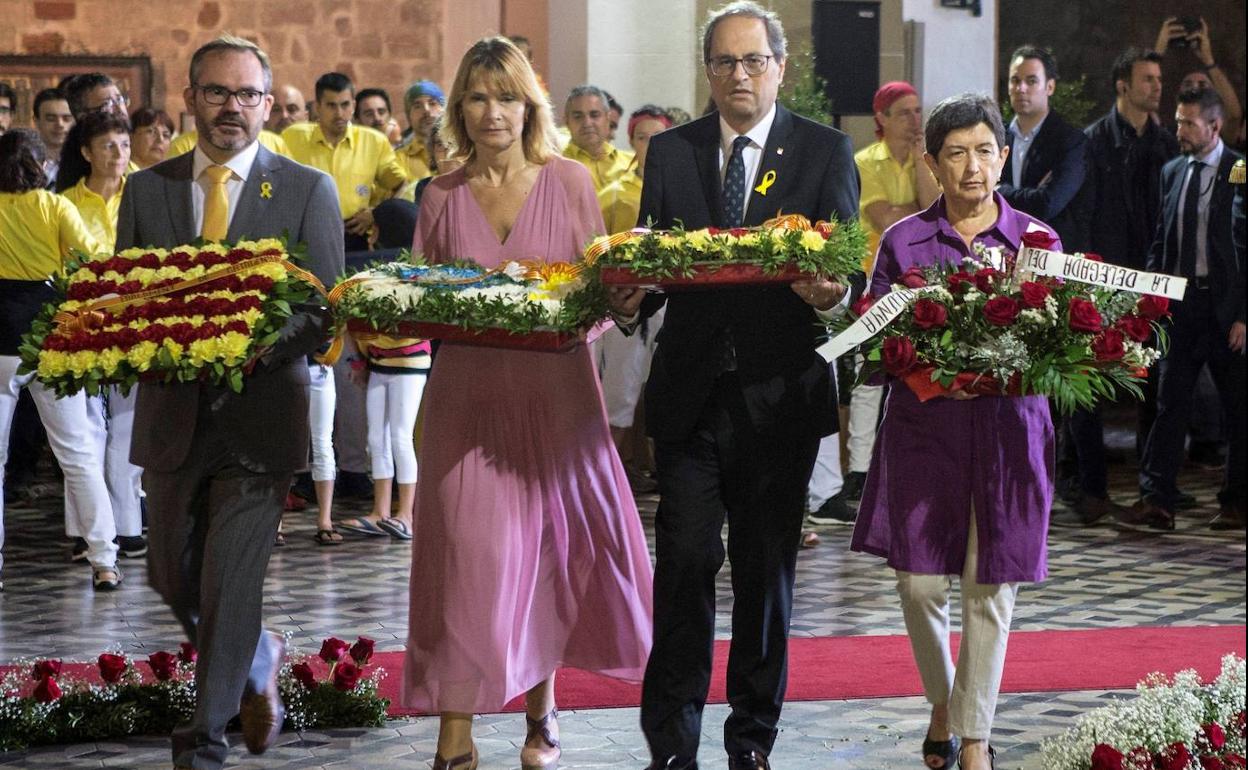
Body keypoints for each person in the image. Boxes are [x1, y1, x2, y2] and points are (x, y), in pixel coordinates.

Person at [607, 3, 860, 767]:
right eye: (724, 62)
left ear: (779, 66)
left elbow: (844, 274)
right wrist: (627, 302)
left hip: (779, 397)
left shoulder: (824, 150)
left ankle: (751, 738)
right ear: (708, 72)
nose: (739, 75)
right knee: (684, 562)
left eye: (753, 61)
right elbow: (656, 265)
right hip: (690, 395)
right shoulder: (672, 152)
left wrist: (830, 296)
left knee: (764, 574)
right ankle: (671, 742)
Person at [401, 37, 653, 770]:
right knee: (464, 558)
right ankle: (455, 736)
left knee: (546, 552)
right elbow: (419, 297)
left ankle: (542, 710)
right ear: (459, 109)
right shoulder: (439, 195)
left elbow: (597, 301)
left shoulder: (571, 182)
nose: (493, 112)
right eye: (478, 97)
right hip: (465, 398)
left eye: (506, 97)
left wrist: (612, 301)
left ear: (529, 106)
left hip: (557, 396)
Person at [114, 35, 343, 770]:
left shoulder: (306, 188)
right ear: (190, 98)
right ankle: (257, 661)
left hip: (261, 421)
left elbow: (324, 309)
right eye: (216, 92)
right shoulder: (146, 190)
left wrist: (254, 348)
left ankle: (203, 742)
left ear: (267, 104)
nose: (231, 107)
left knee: (230, 583)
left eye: (246, 94)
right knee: (169, 575)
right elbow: (124, 297)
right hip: (170, 418)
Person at [851, 93, 1057, 770]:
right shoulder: (903, 240)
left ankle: (972, 740)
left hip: (1008, 433)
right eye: (957, 154)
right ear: (932, 164)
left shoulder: (1038, 243)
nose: (973, 167)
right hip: (925, 429)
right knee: (918, 585)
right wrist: (933, 372)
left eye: (985, 152)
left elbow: (1056, 345)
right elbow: (875, 336)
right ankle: (946, 700)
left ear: (1004, 157)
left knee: (989, 587)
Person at [0, 129, 120, 591]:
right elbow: (93, 259)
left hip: (0, 337)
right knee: (77, 452)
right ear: (42, 165)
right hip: (49, 336)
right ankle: (104, 559)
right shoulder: (54, 206)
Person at [1132, 88, 1245, 531]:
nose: (1179, 130)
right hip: (1179, 307)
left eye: (1188, 123)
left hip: (1225, 309)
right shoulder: (1173, 171)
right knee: (1169, 403)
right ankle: (1157, 500)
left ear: (1214, 127)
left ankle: (1236, 502)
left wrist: (1243, 314)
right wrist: (1151, 292)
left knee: (1237, 409)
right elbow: (1162, 237)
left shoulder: (1239, 170)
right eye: (1178, 120)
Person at [1077, 47, 1180, 526]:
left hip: (1153, 278)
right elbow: (1085, 212)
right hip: (1105, 279)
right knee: (1091, 384)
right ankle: (1091, 488)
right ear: (1123, 85)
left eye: (1159, 79)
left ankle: (1153, 490)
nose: (1157, 86)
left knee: (1156, 386)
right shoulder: (1093, 142)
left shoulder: (1167, 144)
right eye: (1147, 79)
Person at [841, 80, 941, 515]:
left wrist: (920, 163)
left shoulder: (927, 161)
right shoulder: (865, 161)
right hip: (875, 278)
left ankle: (915, 464)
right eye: (905, 112)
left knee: (922, 371)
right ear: (881, 118)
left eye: (918, 111)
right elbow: (887, 219)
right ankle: (859, 471)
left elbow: (934, 213)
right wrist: (917, 214)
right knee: (869, 374)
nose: (915, 120)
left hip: (921, 282)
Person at [60, 110, 148, 561]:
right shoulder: (65, 202)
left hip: (134, 319)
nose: (119, 154)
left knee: (129, 424)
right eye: (108, 146)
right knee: (86, 426)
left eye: (125, 145)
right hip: (83, 320)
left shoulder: (143, 193)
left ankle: (128, 524)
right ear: (86, 152)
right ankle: (86, 529)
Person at [594, 105, 672, 491]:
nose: (650, 146)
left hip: (669, 299)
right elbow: (597, 250)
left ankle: (651, 465)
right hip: (627, 302)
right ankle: (605, 475)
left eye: (659, 138)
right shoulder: (613, 193)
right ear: (631, 141)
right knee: (621, 388)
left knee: (660, 385)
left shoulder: (679, 186)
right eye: (643, 138)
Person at [282, 71, 406, 251]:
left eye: (345, 104)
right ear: (317, 107)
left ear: (353, 105)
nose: (339, 113)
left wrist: (376, 213)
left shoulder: (374, 142)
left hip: (354, 235)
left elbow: (401, 184)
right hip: (304, 234)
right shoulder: (292, 137)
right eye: (331, 105)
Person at [1154, 17, 1244, 142]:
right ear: (1177, 96)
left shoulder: (1216, 134)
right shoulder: (1166, 133)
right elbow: (1139, 105)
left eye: (1203, 85)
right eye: (1188, 84)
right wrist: (1157, 54)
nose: (1195, 88)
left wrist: (1209, 61)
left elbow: (1234, 115)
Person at [562, 84, 635, 191]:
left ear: (608, 118)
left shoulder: (633, 164)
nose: (587, 123)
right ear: (566, 121)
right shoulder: (554, 166)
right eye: (578, 116)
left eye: (594, 115)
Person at [33, 89, 74, 186]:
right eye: (51, 119)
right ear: (36, 121)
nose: (60, 124)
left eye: (66, 119)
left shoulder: (87, 162)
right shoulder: (23, 161)